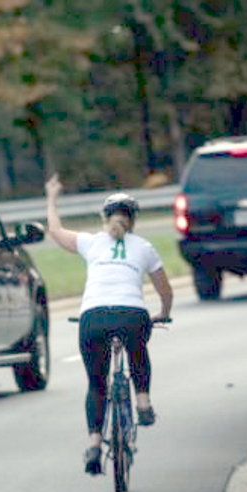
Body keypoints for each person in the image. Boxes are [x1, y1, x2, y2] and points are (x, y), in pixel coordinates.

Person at [44, 173, 173, 475]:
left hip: (93, 318)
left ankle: (93, 443)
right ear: (134, 220)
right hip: (132, 316)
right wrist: (163, 313)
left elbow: (55, 230)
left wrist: (51, 197)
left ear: (104, 218)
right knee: (138, 349)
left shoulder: (90, 242)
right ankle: (143, 402)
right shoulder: (144, 247)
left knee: (97, 384)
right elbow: (165, 290)